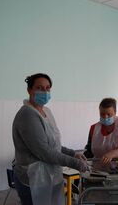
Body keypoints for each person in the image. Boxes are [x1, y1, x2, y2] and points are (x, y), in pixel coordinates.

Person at [12, 73, 88, 205]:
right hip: (33, 178)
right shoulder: (27, 114)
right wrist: (75, 163)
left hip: (48, 175)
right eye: (40, 88)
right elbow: (44, 151)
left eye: (48, 88)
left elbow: (53, 145)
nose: (45, 92)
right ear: (29, 90)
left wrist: (73, 153)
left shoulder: (46, 112)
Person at [83, 97, 118, 171]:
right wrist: (81, 158)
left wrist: (113, 153)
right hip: (99, 170)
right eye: (102, 114)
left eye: (109, 114)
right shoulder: (94, 128)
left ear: (115, 112)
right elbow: (89, 150)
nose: (105, 117)